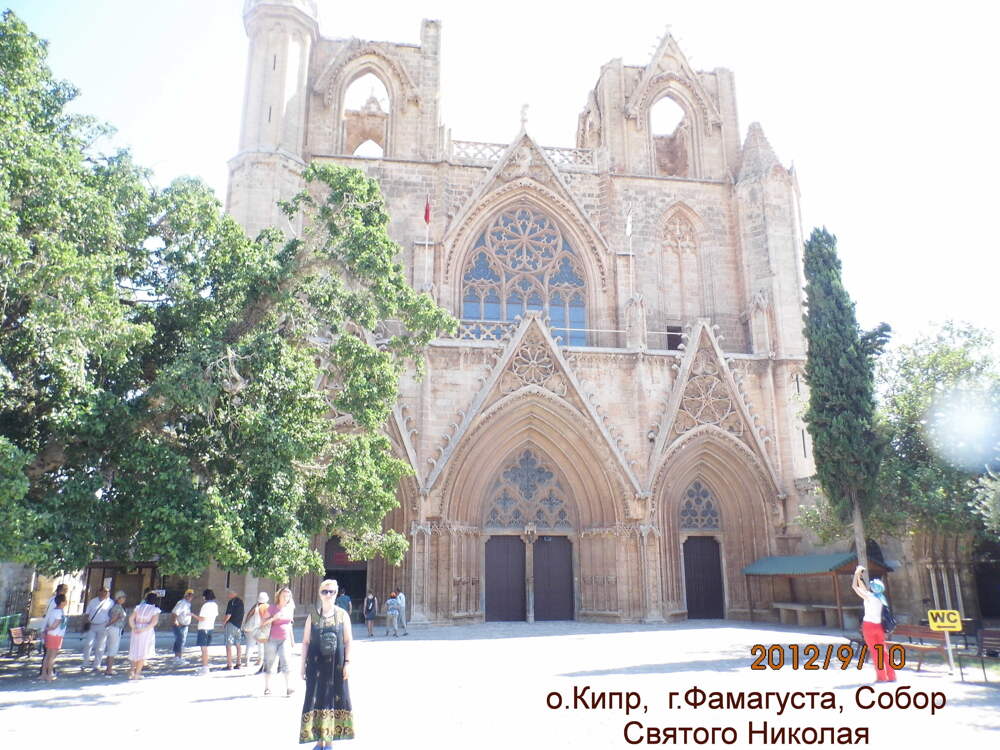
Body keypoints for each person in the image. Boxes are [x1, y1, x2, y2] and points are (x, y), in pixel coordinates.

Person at [299, 579, 354, 745]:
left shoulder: (343, 615)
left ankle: (329, 742)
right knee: (315, 698)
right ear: (320, 593)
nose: (328, 595)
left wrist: (348, 663)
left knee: (334, 698)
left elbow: (348, 641)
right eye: (325, 591)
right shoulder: (312, 616)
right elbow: (305, 642)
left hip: (336, 666)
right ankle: (318, 741)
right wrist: (302, 666)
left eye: (332, 592)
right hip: (316, 666)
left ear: (336, 594)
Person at [852, 565, 896, 683]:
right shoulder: (881, 598)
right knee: (884, 651)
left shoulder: (869, 597)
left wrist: (856, 573)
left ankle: (881, 677)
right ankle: (891, 676)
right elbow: (864, 589)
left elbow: (854, 587)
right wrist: (860, 577)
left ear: (872, 589)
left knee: (875, 652)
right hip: (878, 627)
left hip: (868, 627)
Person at [261, 587, 295, 696]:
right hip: (271, 639)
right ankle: (267, 688)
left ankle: (289, 688)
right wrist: (273, 618)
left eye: (288, 596)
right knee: (270, 663)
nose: (286, 598)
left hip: (285, 639)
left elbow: (290, 625)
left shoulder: (289, 609)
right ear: (278, 596)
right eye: (284, 595)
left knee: (286, 662)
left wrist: (292, 639)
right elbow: (262, 623)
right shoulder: (272, 608)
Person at [128, 591, 161, 680]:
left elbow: (131, 618)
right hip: (146, 631)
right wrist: (143, 630)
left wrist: (134, 627)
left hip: (136, 629)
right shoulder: (155, 610)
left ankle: (132, 672)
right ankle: (137, 674)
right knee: (143, 652)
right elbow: (153, 622)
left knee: (134, 649)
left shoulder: (139, 607)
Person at [82, 587, 113, 671]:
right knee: (88, 644)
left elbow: (113, 614)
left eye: (107, 592)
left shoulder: (110, 602)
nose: (105, 593)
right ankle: (85, 662)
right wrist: (85, 623)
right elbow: (87, 613)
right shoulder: (93, 601)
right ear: (99, 592)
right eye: (103, 591)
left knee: (100, 646)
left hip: (103, 625)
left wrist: (109, 624)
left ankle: (97, 664)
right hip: (92, 625)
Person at [190, 589, 219, 675]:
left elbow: (202, 618)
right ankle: (204, 665)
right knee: (205, 649)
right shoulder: (215, 605)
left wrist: (193, 615)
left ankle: (205, 667)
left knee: (204, 649)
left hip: (203, 628)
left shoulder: (205, 606)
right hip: (210, 627)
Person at [41, 593, 68, 681]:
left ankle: (44, 674)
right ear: (62, 602)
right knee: (52, 657)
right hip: (56, 635)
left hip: (50, 635)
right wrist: (48, 629)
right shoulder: (59, 612)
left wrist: (45, 630)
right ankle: (50, 674)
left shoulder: (53, 610)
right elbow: (55, 625)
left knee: (47, 655)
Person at [243, 591, 270, 671]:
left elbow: (248, 615)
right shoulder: (267, 607)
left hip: (252, 628)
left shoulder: (255, 606)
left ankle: (247, 661)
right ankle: (259, 660)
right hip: (262, 628)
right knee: (261, 645)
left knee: (250, 644)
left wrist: (245, 625)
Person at [104, 591, 128, 676]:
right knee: (113, 649)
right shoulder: (117, 607)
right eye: (123, 597)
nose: (124, 599)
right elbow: (114, 618)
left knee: (110, 648)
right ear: (118, 598)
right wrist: (108, 624)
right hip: (115, 628)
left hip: (113, 628)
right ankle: (109, 669)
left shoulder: (116, 606)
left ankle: (108, 668)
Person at [171, 589, 194, 665]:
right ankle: (178, 657)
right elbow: (174, 612)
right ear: (185, 595)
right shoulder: (182, 603)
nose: (190, 597)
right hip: (180, 625)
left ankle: (177, 657)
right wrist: (175, 621)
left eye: (191, 595)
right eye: (189, 595)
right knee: (180, 640)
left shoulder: (188, 604)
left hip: (184, 625)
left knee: (180, 641)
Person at [223, 588, 245, 670]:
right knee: (238, 644)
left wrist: (224, 622)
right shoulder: (241, 602)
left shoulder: (231, 602)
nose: (228, 595)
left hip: (231, 624)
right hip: (238, 626)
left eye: (229, 594)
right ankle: (239, 663)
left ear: (232, 594)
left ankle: (229, 664)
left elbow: (228, 614)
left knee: (228, 645)